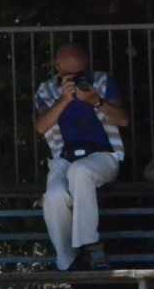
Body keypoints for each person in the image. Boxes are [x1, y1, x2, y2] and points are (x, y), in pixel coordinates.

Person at [32, 44, 130, 270]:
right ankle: (67, 260)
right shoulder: (46, 90)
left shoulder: (102, 82)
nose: (76, 80)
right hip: (64, 158)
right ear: (57, 68)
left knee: (81, 171)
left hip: (103, 156)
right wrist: (64, 100)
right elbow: (41, 127)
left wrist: (96, 100)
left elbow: (123, 120)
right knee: (54, 195)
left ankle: (90, 244)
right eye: (69, 76)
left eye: (80, 75)